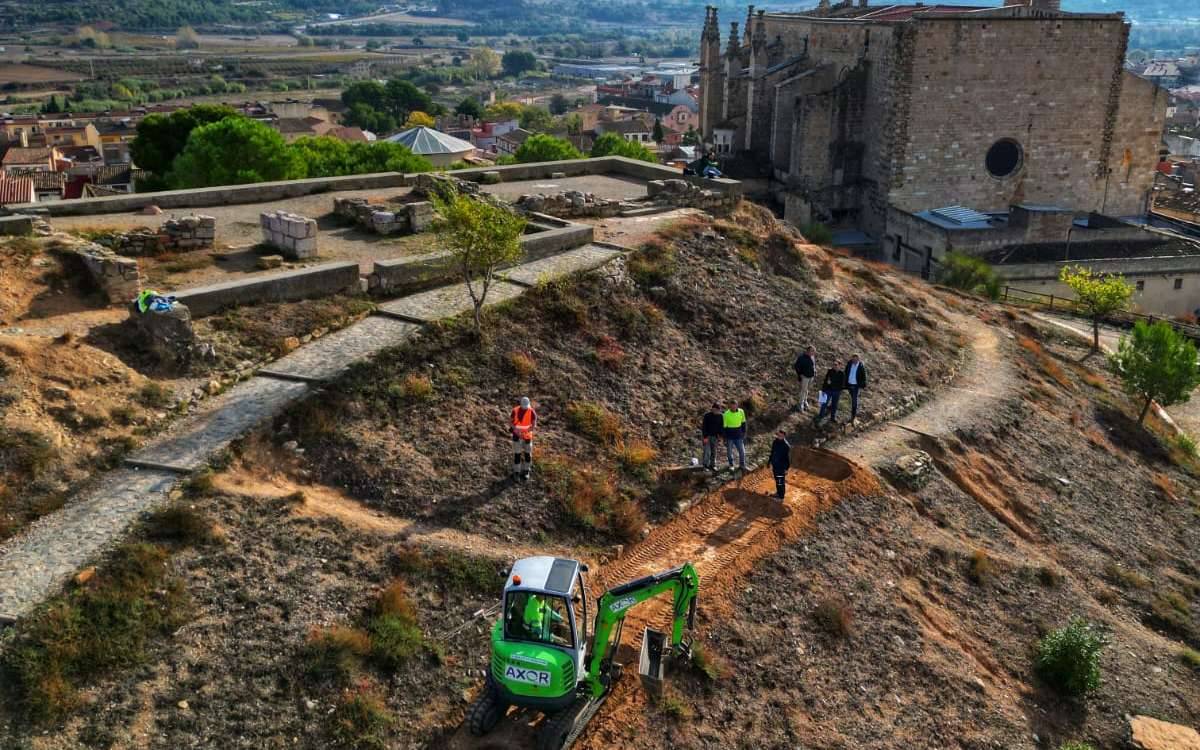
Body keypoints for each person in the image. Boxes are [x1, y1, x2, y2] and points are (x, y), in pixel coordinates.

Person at [510, 397, 537, 480]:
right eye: (523, 406)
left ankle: (526, 471)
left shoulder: (532, 411)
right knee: (517, 454)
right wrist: (515, 430)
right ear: (520, 404)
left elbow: (533, 425)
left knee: (527, 454)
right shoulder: (515, 410)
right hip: (516, 436)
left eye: (526, 406)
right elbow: (510, 422)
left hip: (527, 436)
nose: (525, 408)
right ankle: (516, 472)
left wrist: (526, 432)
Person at [722, 400, 747, 471]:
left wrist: (744, 432)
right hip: (729, 436)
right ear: (729, 406)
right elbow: (724, 427)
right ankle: (731, 465)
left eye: (734, 406)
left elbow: (743, 423)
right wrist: (724, 438)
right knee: (729, 453)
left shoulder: (741, 411)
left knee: (742, 451)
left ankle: (742, 465)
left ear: (737, 405)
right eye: (732, 406)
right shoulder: (726, 414)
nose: (733, 407)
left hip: (739, 435)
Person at [844, 355, 868, 423]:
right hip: (849, 384)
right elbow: (846, 372)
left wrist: (863, 384)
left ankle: (853, 415)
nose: (854, 360)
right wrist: (844, 382)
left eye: (856, 359)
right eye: (853, 359)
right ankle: (855, 408)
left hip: (856, 386)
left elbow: (864, 376)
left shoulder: (860, 366)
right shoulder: (849, 364)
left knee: (854, 399)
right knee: (853, 398)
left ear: (858, 359)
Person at [768, 430, 791, 501]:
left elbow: (788, 459)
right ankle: (778, 493)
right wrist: (769, 462)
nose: (779, 436)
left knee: (780, 481)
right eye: (778, 435)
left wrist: (786, 468)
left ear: (784, 436)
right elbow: (772, 452)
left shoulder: (786, 446)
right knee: (777, 480)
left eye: (780, 435)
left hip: (781, 467)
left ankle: (781, 497)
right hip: (775, 465)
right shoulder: (775, 442)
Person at [701, 403, 724, 471]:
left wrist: (720, 435)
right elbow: (704, 427)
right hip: (707, 436)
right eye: (714, 409)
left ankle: (713, 465)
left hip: (715, 437)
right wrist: (705, 437)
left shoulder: (720, 416)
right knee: (707, 452)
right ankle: (705, 465)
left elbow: (721, 427)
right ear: (712, 409)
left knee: (714, 452)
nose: (715, 411)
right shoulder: (707, 415)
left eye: (717, 410)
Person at [793, 346, 816, 411]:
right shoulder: (801, 358)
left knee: (807, 390)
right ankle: (800, 404)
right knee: (803, 391)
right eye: (812, 351)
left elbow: (813, 365)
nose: (813, 353)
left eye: (814, 351)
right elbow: (796, 366)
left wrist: (815, 371)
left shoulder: (812, 357)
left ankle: (805, 401)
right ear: (808, 351)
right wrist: (800, 374)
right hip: (805, 377)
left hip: (811, 377)